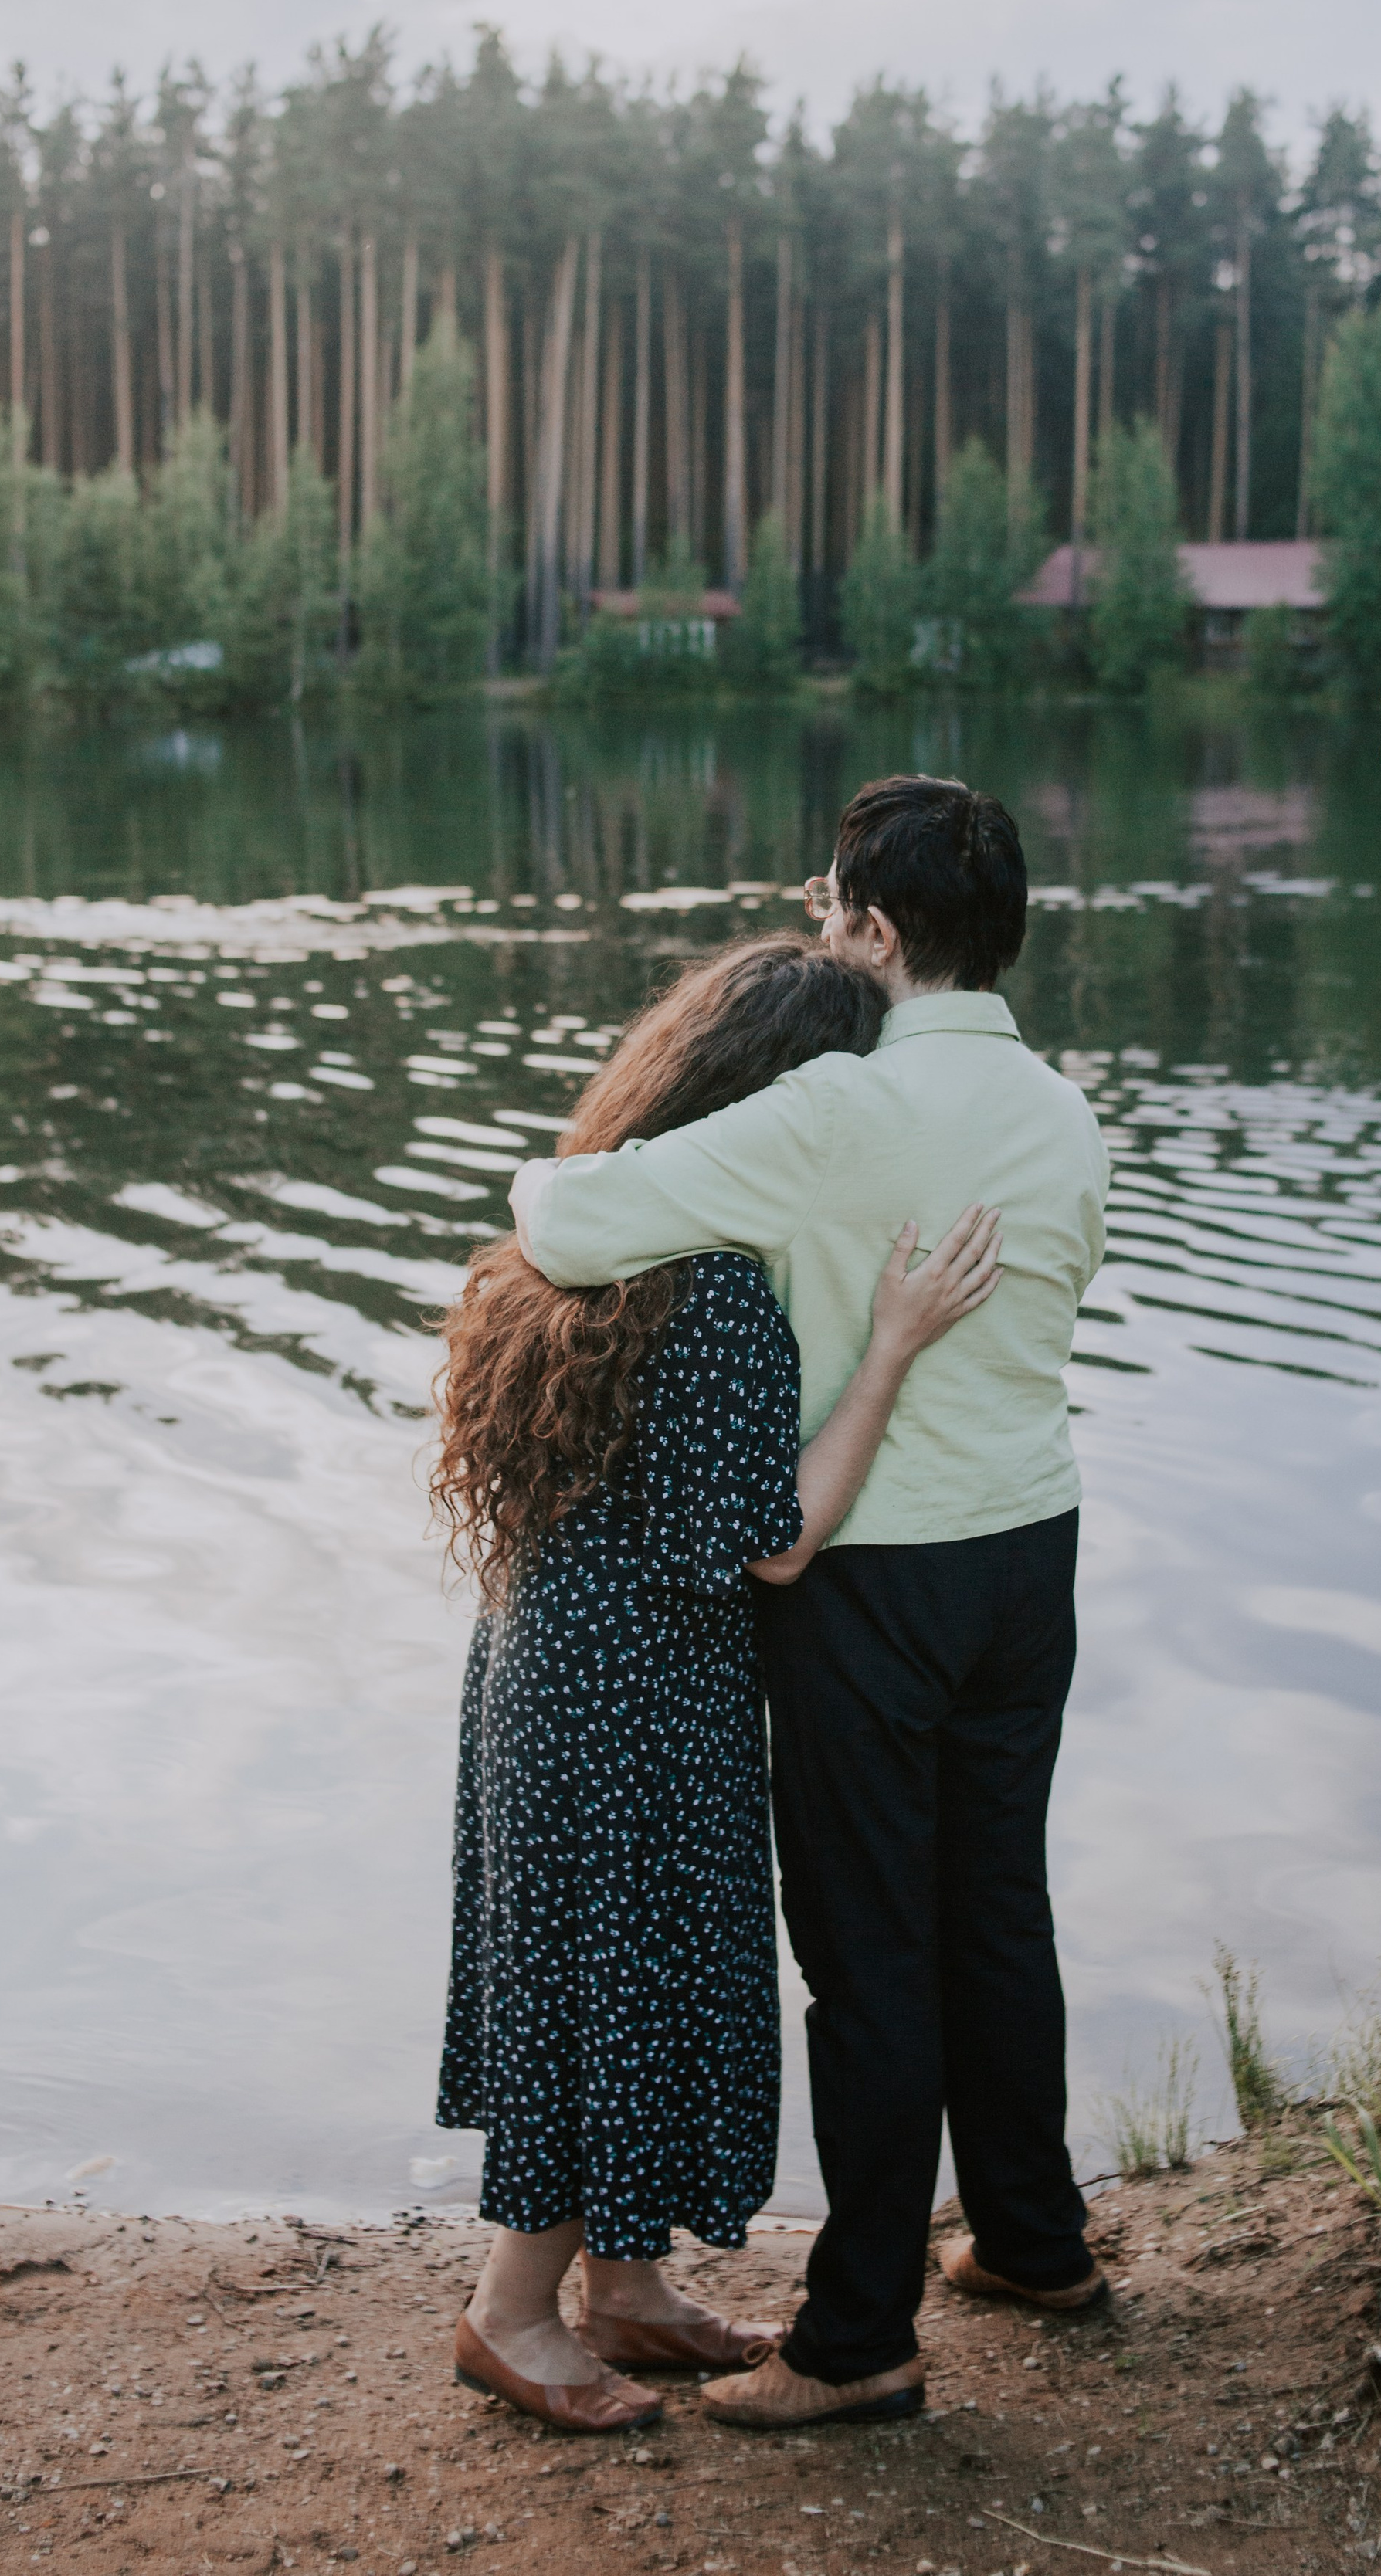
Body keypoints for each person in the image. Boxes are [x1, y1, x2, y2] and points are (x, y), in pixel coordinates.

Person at [512, 774, 1112, 2432]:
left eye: (827, 902)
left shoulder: (835, 1113)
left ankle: (856, 2342)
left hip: (871, 1581)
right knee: (998, 1908)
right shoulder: (1066, 1116)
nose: (818, 922)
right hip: (1030, 1557)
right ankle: (1036, 2243)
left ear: (869, 929)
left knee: (867, 1957)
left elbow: (562, 1220)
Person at [433, 930, 1006, 2436]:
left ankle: (621, 2293)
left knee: (600, 1975)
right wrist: (888, 1348)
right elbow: (776, 1547)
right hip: (636, 1703)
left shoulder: (588, 1246)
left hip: (545, 1671)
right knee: (609, 1986)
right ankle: (510, 2315)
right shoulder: (720, 1301)